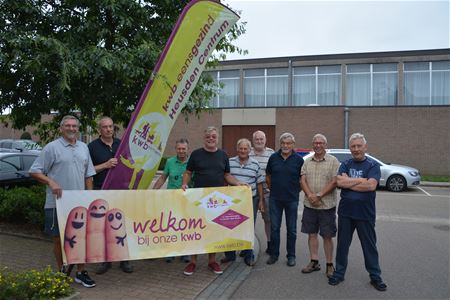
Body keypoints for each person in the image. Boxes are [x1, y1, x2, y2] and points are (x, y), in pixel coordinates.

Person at [30, 115, 96, 288]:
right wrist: (51, 182)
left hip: (79, 203)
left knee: (81, 239)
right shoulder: (51, 148)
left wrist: (89, 196)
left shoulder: (83, 148)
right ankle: (62, 271)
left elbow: (88, 174)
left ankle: (81, 272)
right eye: (68, 125)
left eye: (75, 126)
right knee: (58, 239)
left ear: (78, 128)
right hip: (56, 203)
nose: (72, 128)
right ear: (61, 128)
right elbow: (34, 171)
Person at [181, 126, 245, 276]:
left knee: (213, 230)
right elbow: (188, 172)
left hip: (217, 200)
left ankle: (212, 261)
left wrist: (238, 183)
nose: (211, 139)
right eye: (208, 136)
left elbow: (227, 175)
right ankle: (193, 262)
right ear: (204, 138)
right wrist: (184, 183)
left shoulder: (223, 155)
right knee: (196, 230)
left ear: (217, 138)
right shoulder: (196, 154)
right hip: (198, 199)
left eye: (213, 137)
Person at [328, 133, 387, 292]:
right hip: (346, 213)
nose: (356, 149)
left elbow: (371, 186)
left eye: (359, 146)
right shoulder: (345, 164)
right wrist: (361, 180)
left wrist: (350, 183)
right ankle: (339, 273)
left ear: (365, 147)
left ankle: (375, 276)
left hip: (365, 214)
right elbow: (339, 181)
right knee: (343, 245)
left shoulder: (372, 165)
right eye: (353, 146)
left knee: (369, 246)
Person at [88, 116, 133, 274]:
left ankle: (124, 260)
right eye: (105, 127)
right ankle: (105, 260)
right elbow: (87, 170)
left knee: (122, 226)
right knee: (103, 227)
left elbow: (129, 165)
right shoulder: (92, 147)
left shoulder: (121, 144)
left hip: (121, 191)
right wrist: (105, 165)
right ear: (99, 129)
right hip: (101, 190)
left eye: (111, 126)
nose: (108, 129)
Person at [300, 134, 340, 278]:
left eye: (321, 143)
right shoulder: (307, 161)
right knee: (312, 234)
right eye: (315, 143)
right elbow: (302, 179)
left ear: (325, 145)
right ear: (313, 145)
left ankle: (329, 264)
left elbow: (335, 181)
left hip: (326, 206)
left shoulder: (333, 161)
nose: (318, 145)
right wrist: (310, 195)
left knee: (327, 236)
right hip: (309, 205)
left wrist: (319, 195)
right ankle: (314, 261)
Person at [221, 138, 264, 266]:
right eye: (241, 148)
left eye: (246, 149)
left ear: (249, 150)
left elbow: (260, 183)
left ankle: (248, 254)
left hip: (251, 200)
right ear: (237, 149)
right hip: (232, 201)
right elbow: (225, 178)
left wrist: (261, 201)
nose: (243, 151)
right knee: (229, 226)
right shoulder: (230, 162)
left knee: (248, 228)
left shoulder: (255, 164)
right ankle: (230, 255)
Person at [266, 132, 304, 267]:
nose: (285, 146)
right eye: (283, 143)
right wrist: (274, 188)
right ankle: (274, 254)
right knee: (275, 228)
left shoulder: (299, 160)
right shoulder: (273, 158)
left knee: (291, 229)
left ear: (293, 144)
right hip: (275, 199)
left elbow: (302, 180)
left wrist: (294, 190)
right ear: (280, 144)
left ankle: (291, 256)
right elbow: (268, 176)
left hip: (292, 199)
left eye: (288, 143)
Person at [152, 138, 191, 263]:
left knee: (186, 226)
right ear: (176, 149)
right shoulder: (170, 162)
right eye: (179, 148)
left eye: (183, 149)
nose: (181, 151)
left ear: (187, 149)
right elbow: (163, 178)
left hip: (187, 199)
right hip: (171, 199)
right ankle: (170, 251)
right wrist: (152, 192)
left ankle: (185, 252)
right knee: (171, 226)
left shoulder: (192, 162)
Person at [249, 130, 275, 255]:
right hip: (251, 193)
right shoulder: (247, 152)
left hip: (267, 193)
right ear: (253, 141)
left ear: (265, 140)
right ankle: (247, 246)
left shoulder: (271, 153)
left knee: (268, 220)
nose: (259, 141)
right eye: (257, 139)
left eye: (261, 139)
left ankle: (270, 244)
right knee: (249, 221)